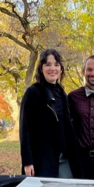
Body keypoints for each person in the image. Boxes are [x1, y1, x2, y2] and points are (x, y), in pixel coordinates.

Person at [19, 48, 80, 178]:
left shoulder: (62, 93)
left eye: (56, 65)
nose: (53, 68)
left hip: (64, 158)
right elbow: (25, 130)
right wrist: (27, 162)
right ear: (41, 68)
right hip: (42, 159)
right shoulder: (33, 93)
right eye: (48, 64)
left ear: (61, 69)